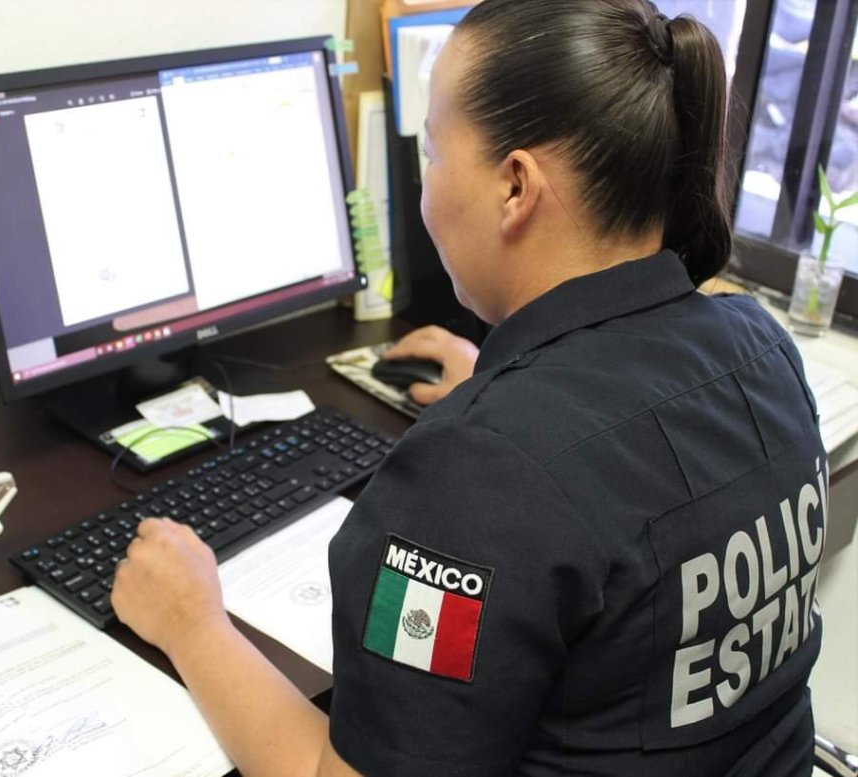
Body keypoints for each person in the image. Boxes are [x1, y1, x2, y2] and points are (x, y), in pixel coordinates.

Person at [112, 1, 826, 774]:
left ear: (515, 185)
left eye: (433, 151)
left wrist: (193, 623)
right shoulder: (760, 346)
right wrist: (508, 388)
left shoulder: (473, 474)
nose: (426, 183)